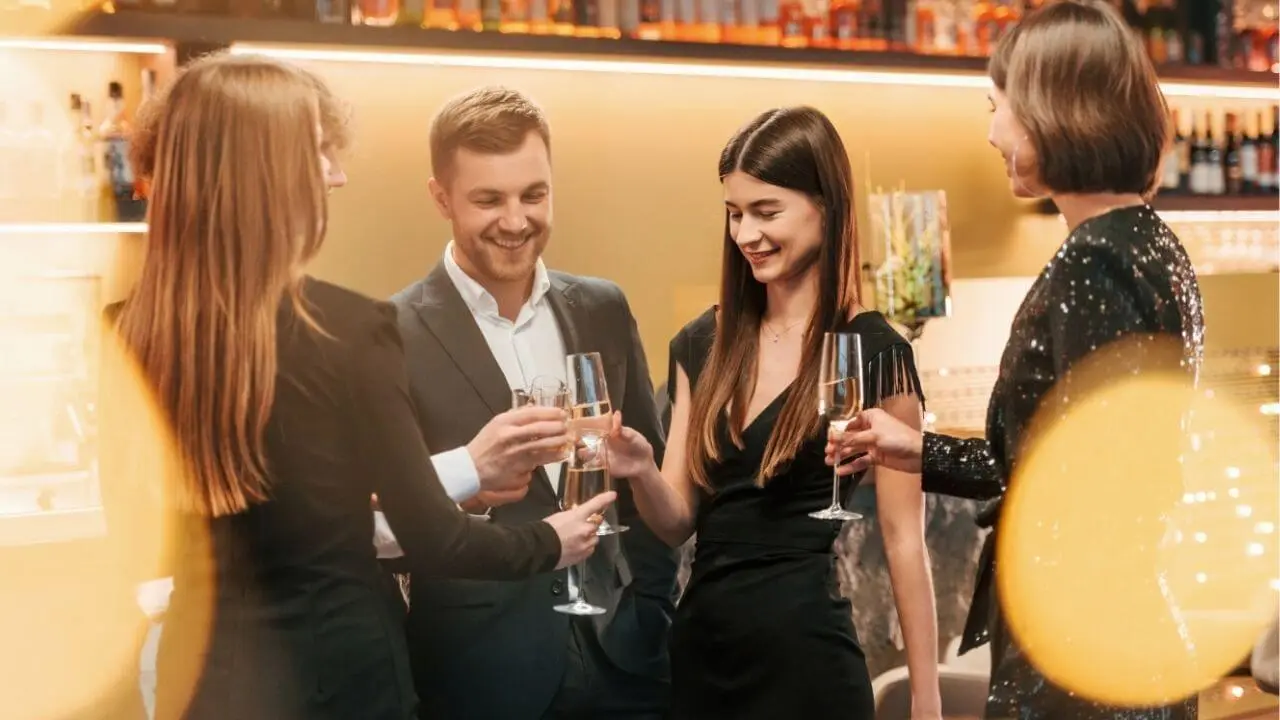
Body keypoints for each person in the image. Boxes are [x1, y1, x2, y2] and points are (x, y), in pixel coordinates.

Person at [99, 54, 612, 720]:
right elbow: (436, 541)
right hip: (337, 677)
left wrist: (448, 481)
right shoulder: (349, 330)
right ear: (269, 168)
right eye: (319, 151)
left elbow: (145, 533)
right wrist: (553, 540)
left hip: (200, 680)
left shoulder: (122, 332)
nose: (336, 173)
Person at [831, 2, 1205, 718]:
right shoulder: (1152, 244)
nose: (992, 133)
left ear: (1051, 110)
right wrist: (915, 449)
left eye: (997, 107)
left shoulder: (1094, 260)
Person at [606, 105, 942, 719]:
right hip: (703, 655)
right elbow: (678, 520)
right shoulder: (701, 343)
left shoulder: (877, 351)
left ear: (825, 206)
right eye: (734, 214)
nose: (745, 235)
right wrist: (640, 470)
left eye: (767, 212)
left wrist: (927, 700)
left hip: (806, 658)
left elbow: (902, 539)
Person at [383, 86, 679, 720]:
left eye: (533, 195)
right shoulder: (390, 333)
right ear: (441, 197)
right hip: (479, 674)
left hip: (625, 663)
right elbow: (391, 530)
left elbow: (643, 478)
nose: (516, 221)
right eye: (488, 199)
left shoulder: (603, 306)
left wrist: (649, 605)